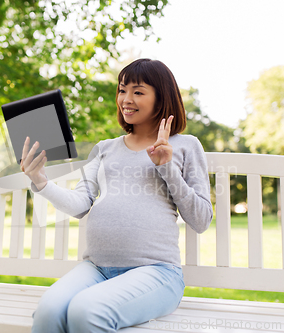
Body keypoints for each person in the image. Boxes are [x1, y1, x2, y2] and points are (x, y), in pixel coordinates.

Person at [21, 58, 213, 332]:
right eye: (122, 90)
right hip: (97, 269)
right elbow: (79, 203)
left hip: (157, 272)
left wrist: (167, 168)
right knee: (48, 312)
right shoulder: (105, 148)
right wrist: (40, 180)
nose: (126, 99)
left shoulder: (185, 145)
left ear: (162, 99)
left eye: (137, 91)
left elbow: (201, 219)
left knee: (87, 312)